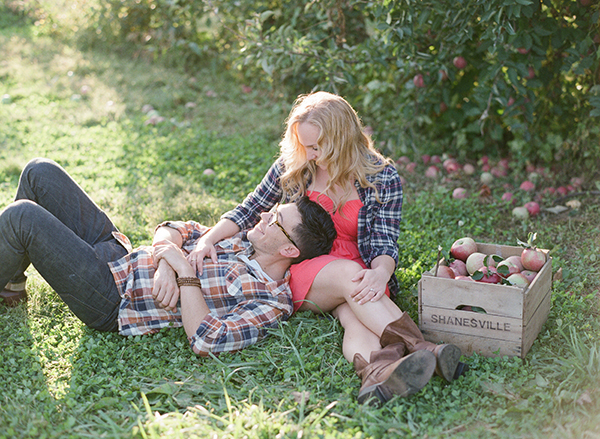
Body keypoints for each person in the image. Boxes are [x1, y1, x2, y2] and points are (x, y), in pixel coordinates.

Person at [187, 91, 464, 405]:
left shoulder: (382, 177)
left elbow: (386, 241)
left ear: (342, 139)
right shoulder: (296, 166)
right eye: (304, 145)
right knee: (351, 276)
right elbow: (249, 209)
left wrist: (381, 274)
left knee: (353, 316)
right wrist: (208, 238)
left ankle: (378, 374)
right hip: (307, 268)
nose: (311, 153)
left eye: (317, 146)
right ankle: (424, 349)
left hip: (362, 270)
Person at [0, 158, 337, 356]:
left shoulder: (270, 301)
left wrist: (183, 273)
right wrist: (167, 259)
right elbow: (175, 227)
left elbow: (207, 339)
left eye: (274, 220)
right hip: (119, 254)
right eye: (272, 210)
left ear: (290, 250)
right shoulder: (240, 241)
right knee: (39, 172)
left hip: (112, 298)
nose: (262, 216)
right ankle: (11, 281)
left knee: (22, 218)